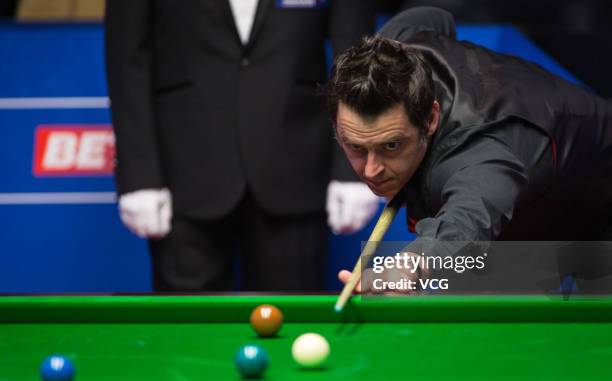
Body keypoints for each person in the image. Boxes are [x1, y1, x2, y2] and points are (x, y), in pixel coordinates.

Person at [329, 7, 612, 290]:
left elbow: (465, 223)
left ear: (430, 119)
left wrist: (411, 264)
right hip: (531, 207)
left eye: (391, 145)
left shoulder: (486, 151)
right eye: (356, 146)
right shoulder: (397, 54)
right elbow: (434, 17)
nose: (371, 170)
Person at [104, 0, 378, 291]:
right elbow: (127, 57)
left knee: (290, 318)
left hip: (295, 165)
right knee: (187, 329)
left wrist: (352, 166)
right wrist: (140, 174)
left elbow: (354, 48)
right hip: (183, 170)